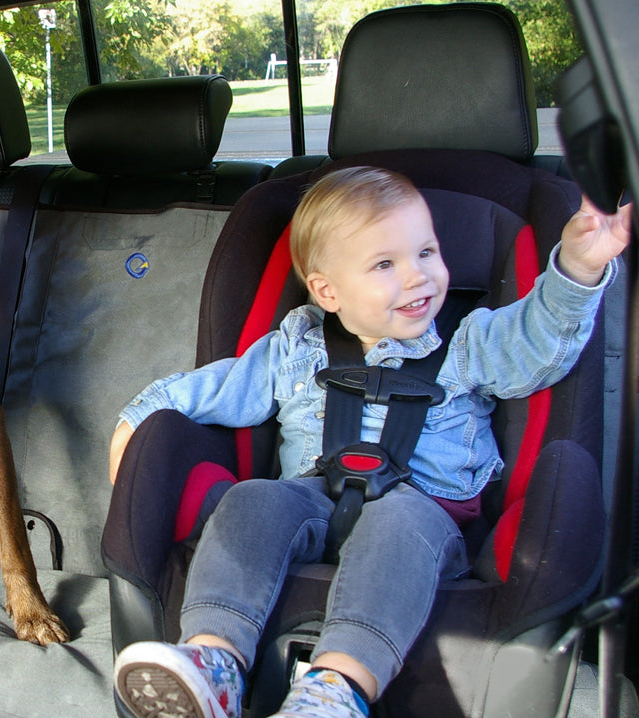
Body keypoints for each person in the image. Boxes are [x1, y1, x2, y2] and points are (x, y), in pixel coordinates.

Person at [108, 166, 632, 718]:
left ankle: (336, 687)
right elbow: (213, 387)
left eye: (427, 253)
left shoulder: (468, 341)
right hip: (311, 501)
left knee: (395, 522)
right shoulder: (295, 348)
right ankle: (214, 659)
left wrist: (576, 268)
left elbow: (537, 342)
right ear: (327, 290)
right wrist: (136, 421)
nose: (418, 277)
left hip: (427, 516)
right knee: (252, 498)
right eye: (385, 264)